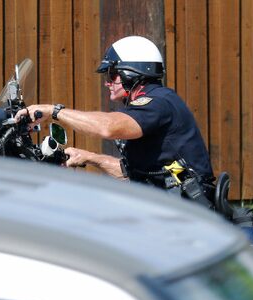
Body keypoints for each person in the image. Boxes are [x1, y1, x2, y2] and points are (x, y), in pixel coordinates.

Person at [16, 35, 214, 204]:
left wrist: (53, 111)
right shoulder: (155, 102)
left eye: (112, 74)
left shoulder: (158, 102)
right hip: (171, 206)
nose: (107, 82)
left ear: (131, 74)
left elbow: (108, 128)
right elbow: (130, 174)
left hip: (183, 217)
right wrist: (88, 157)